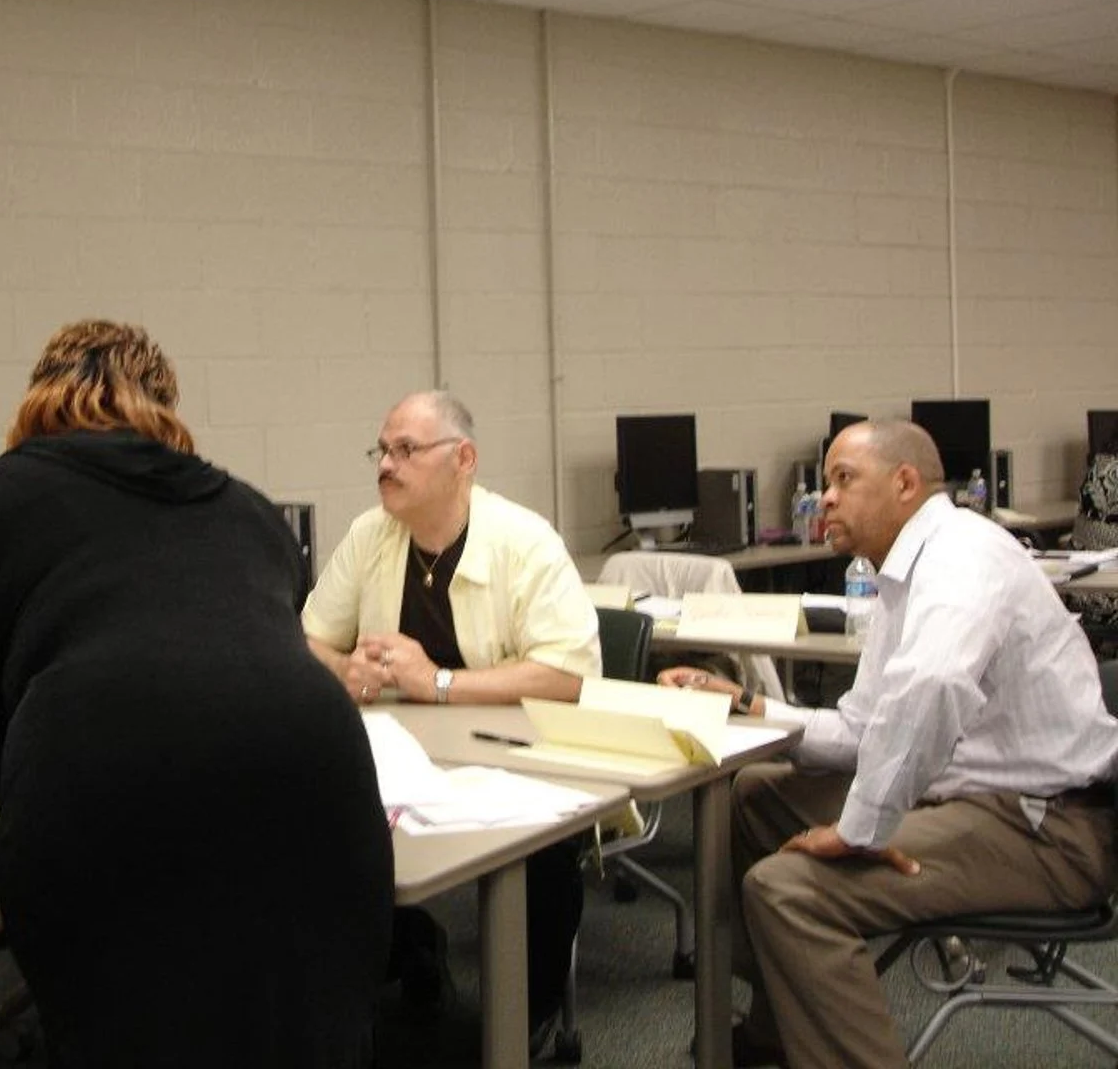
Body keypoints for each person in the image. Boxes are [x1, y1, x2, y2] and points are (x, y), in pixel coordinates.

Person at [0, 320, 392, 1069]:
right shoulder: (248, 509)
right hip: (318, 778)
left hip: (103, 780)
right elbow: (268, 652)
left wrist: (41, 774)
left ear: (38, 398)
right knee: (303, 1025)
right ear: (167, 403)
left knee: (128, 1032)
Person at [660, 419, 1118, 1069]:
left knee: (788, 891)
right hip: (971, 797)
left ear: (906, 483)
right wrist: (750, 706)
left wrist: (861, 828)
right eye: (825, 484)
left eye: (844, 480)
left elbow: (932, 686)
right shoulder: (903, 577)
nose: (826, 499)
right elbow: (863, 732)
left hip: (1048, 829)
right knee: (758, 794)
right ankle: (778, 1031)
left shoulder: (963, 556)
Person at [302, 390, 601, 1048]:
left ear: (463, 459)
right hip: (406, 751)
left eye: (404, 449)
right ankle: (410, 956)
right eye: (381, 450)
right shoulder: (369, 535)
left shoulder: (525, 542)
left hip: (520, 753)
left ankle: (532, 1021)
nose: (386, 464)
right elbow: (309, 638)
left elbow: (567, 675)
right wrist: (343, 670)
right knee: (324, 817)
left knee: (543, 850)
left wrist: (436, 683)